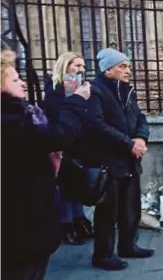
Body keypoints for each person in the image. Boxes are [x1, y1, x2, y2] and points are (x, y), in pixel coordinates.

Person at [1, 48, 91, 280]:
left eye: (82, 66)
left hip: (29, 217)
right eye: (15, 79)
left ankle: (76, 222)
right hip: (21, 224)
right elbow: (55, 131)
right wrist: (76, 101)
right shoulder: (14, 120)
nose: (21, 83)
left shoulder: (20, 113)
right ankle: (68, 225)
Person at [80, 48, 153, 271]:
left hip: (130, 159)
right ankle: (103, 255)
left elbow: (140, 118)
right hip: (109, 160)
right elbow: (96, 125)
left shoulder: (127, 91)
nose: (127, 71)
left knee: (131, 206)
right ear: (108, 69)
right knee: (108, 211)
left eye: (128, 66)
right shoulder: (95, 91)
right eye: (122, 66)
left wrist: (140, 137)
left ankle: (128, 245)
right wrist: (128, 143)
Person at [42, 51, 94, 245]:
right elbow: (57, 114)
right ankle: (66, 225)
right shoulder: (55, 88)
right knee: (64, 185)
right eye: (76, 66)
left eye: (82, 66)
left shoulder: (83, 87)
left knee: (77, 181)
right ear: (65, 66)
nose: (81, 70)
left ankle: (80, 220)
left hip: (80, 140)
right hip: (62, 141)